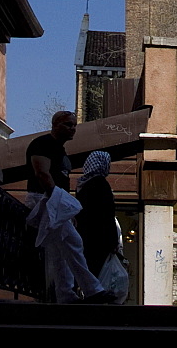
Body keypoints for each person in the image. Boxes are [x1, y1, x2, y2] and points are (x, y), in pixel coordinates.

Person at [25, 110, 102, 303]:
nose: (73, 128)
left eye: (74, 125)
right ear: (55, 124)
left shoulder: (59, 149)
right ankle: (92, 289)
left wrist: (65, 209)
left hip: (54, 202)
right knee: (73, 242)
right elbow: (42, 174)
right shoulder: (42, 144)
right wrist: (58, 203)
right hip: (45, 200)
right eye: (68, 124)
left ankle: (65, 295)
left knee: (58, 251)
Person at [77, 150, 119, 277]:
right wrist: (113, 241)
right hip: (100, 240)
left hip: (84, 239)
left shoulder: (82, 185)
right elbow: (107, 215)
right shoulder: (101, 185)